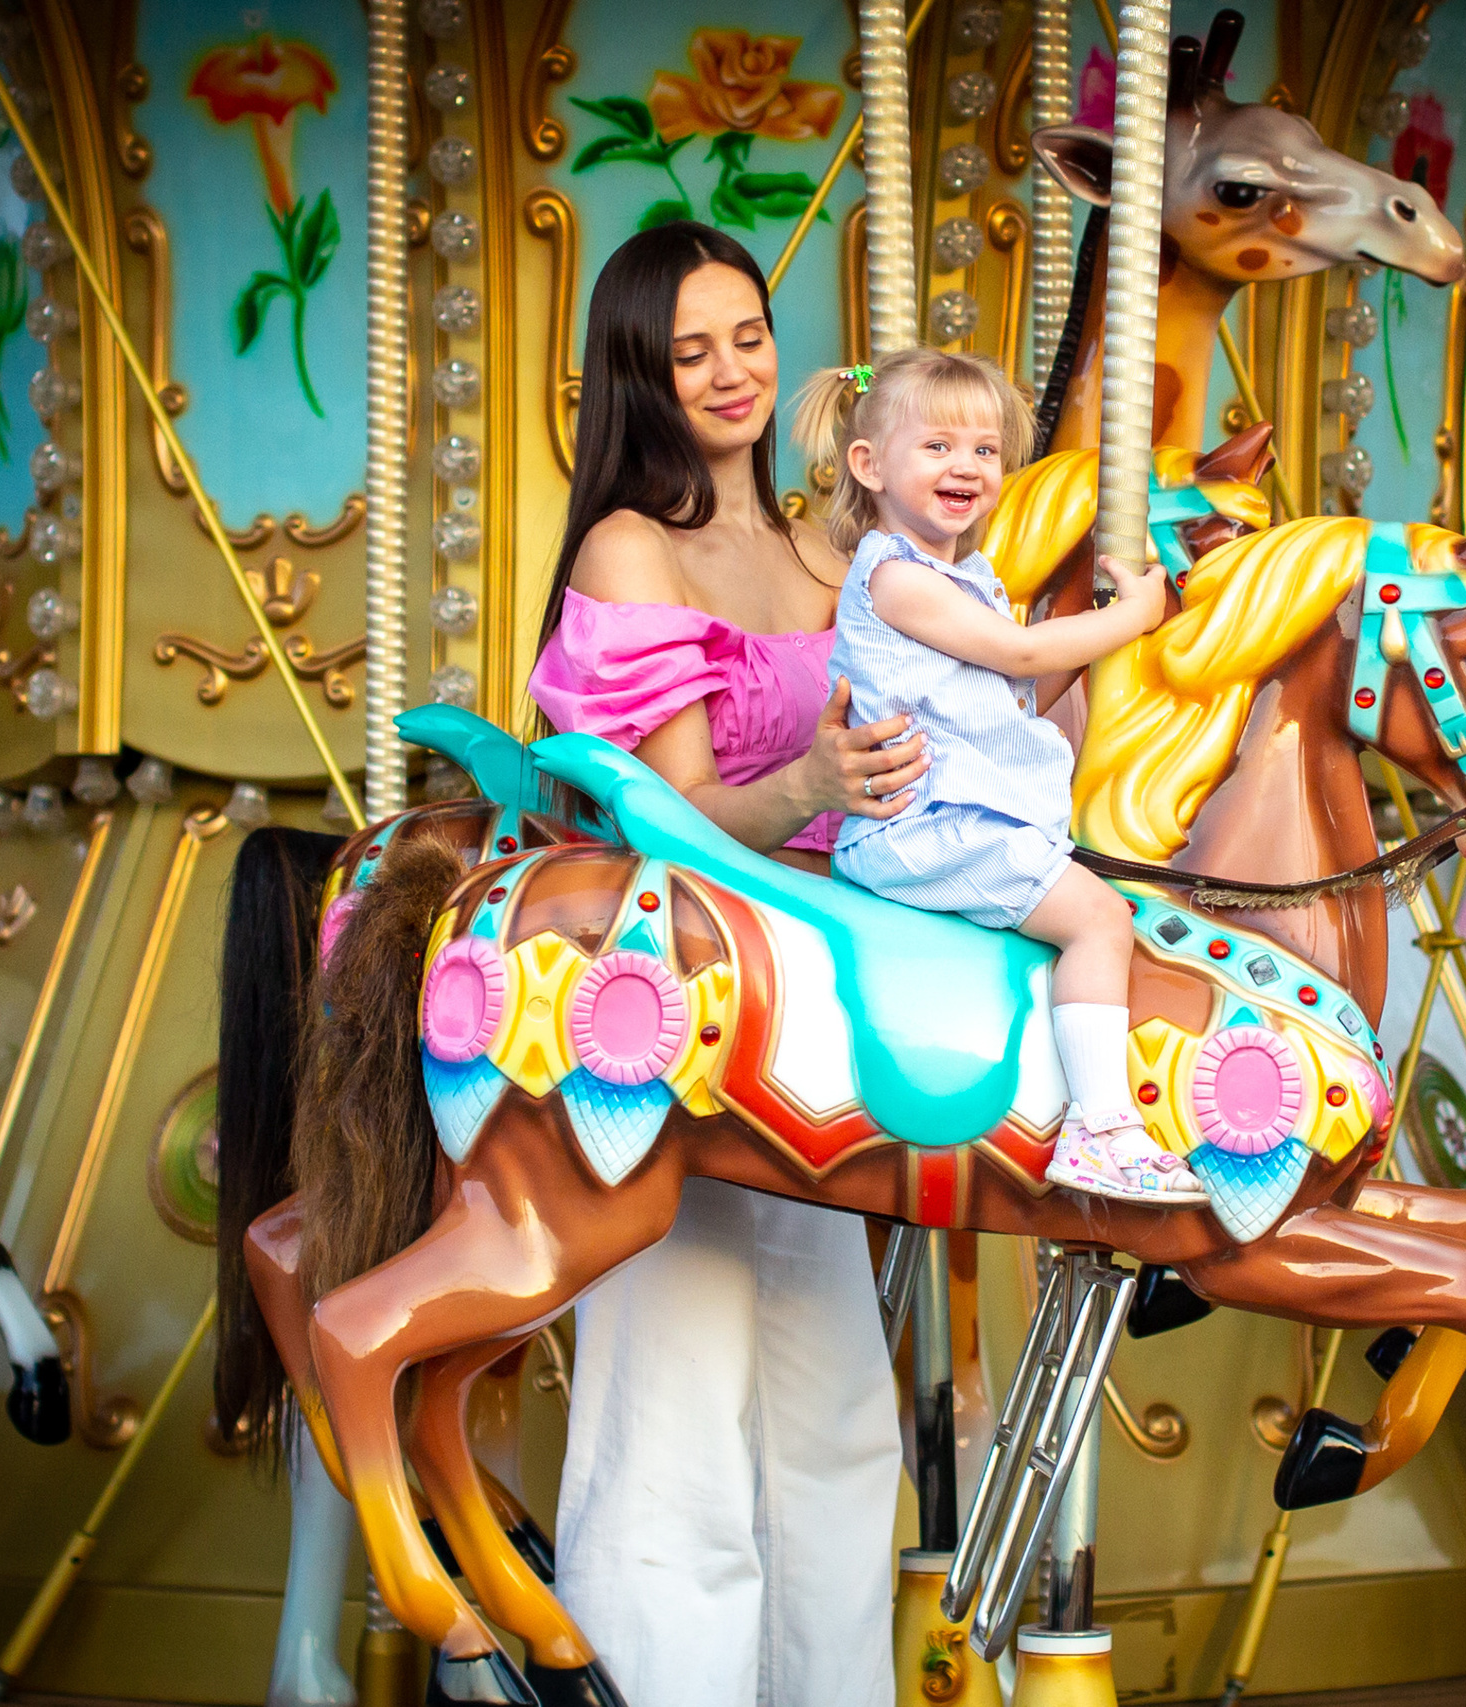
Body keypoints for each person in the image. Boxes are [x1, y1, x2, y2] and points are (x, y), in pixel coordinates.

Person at [525, 223, 915, 1707]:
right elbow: (675, 820)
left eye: (747, 332)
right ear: (641, 370)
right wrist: (818, 776)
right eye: (690, 348)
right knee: (671, 1415)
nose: (731, 369)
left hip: (827, 1014)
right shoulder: (636, 544)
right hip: (687, 1001)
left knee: (836, 1415)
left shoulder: (832, 545)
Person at [788, 347, 1207, 1204]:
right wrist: (1131, 615)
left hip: (965, 816)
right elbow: (1020, 651)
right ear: (868, 466)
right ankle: (1103, 1128)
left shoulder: (963, 577)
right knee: (1097, 917)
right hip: (925, 825)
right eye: (938, 445)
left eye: (985, 449)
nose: (967, 466)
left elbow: (1013, 688)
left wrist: (1099, 648)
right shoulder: (895, 575)